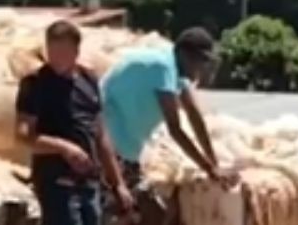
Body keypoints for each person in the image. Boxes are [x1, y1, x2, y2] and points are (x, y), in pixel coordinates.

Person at [15, 20, 127, 225]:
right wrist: (63, 148)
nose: (57, 57)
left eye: (63, 51)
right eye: (52, 49)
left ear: (76, 51)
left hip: (88, 181)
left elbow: (100, 135)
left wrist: (117, 182)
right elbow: (23, 135)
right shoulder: (35, 85)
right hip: (55, 180)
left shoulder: (89, 81)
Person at [99, 27, 237, 189]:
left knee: (138, 200)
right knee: (124, 200)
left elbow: (194, 115)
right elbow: (175, 129)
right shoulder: (163, 68)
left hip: (128, 144)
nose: (201, 68)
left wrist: (214, 162)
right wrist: (209, 169)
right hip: (112, 140)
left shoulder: (176, 67)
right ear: (184, 54)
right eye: (199, 61)